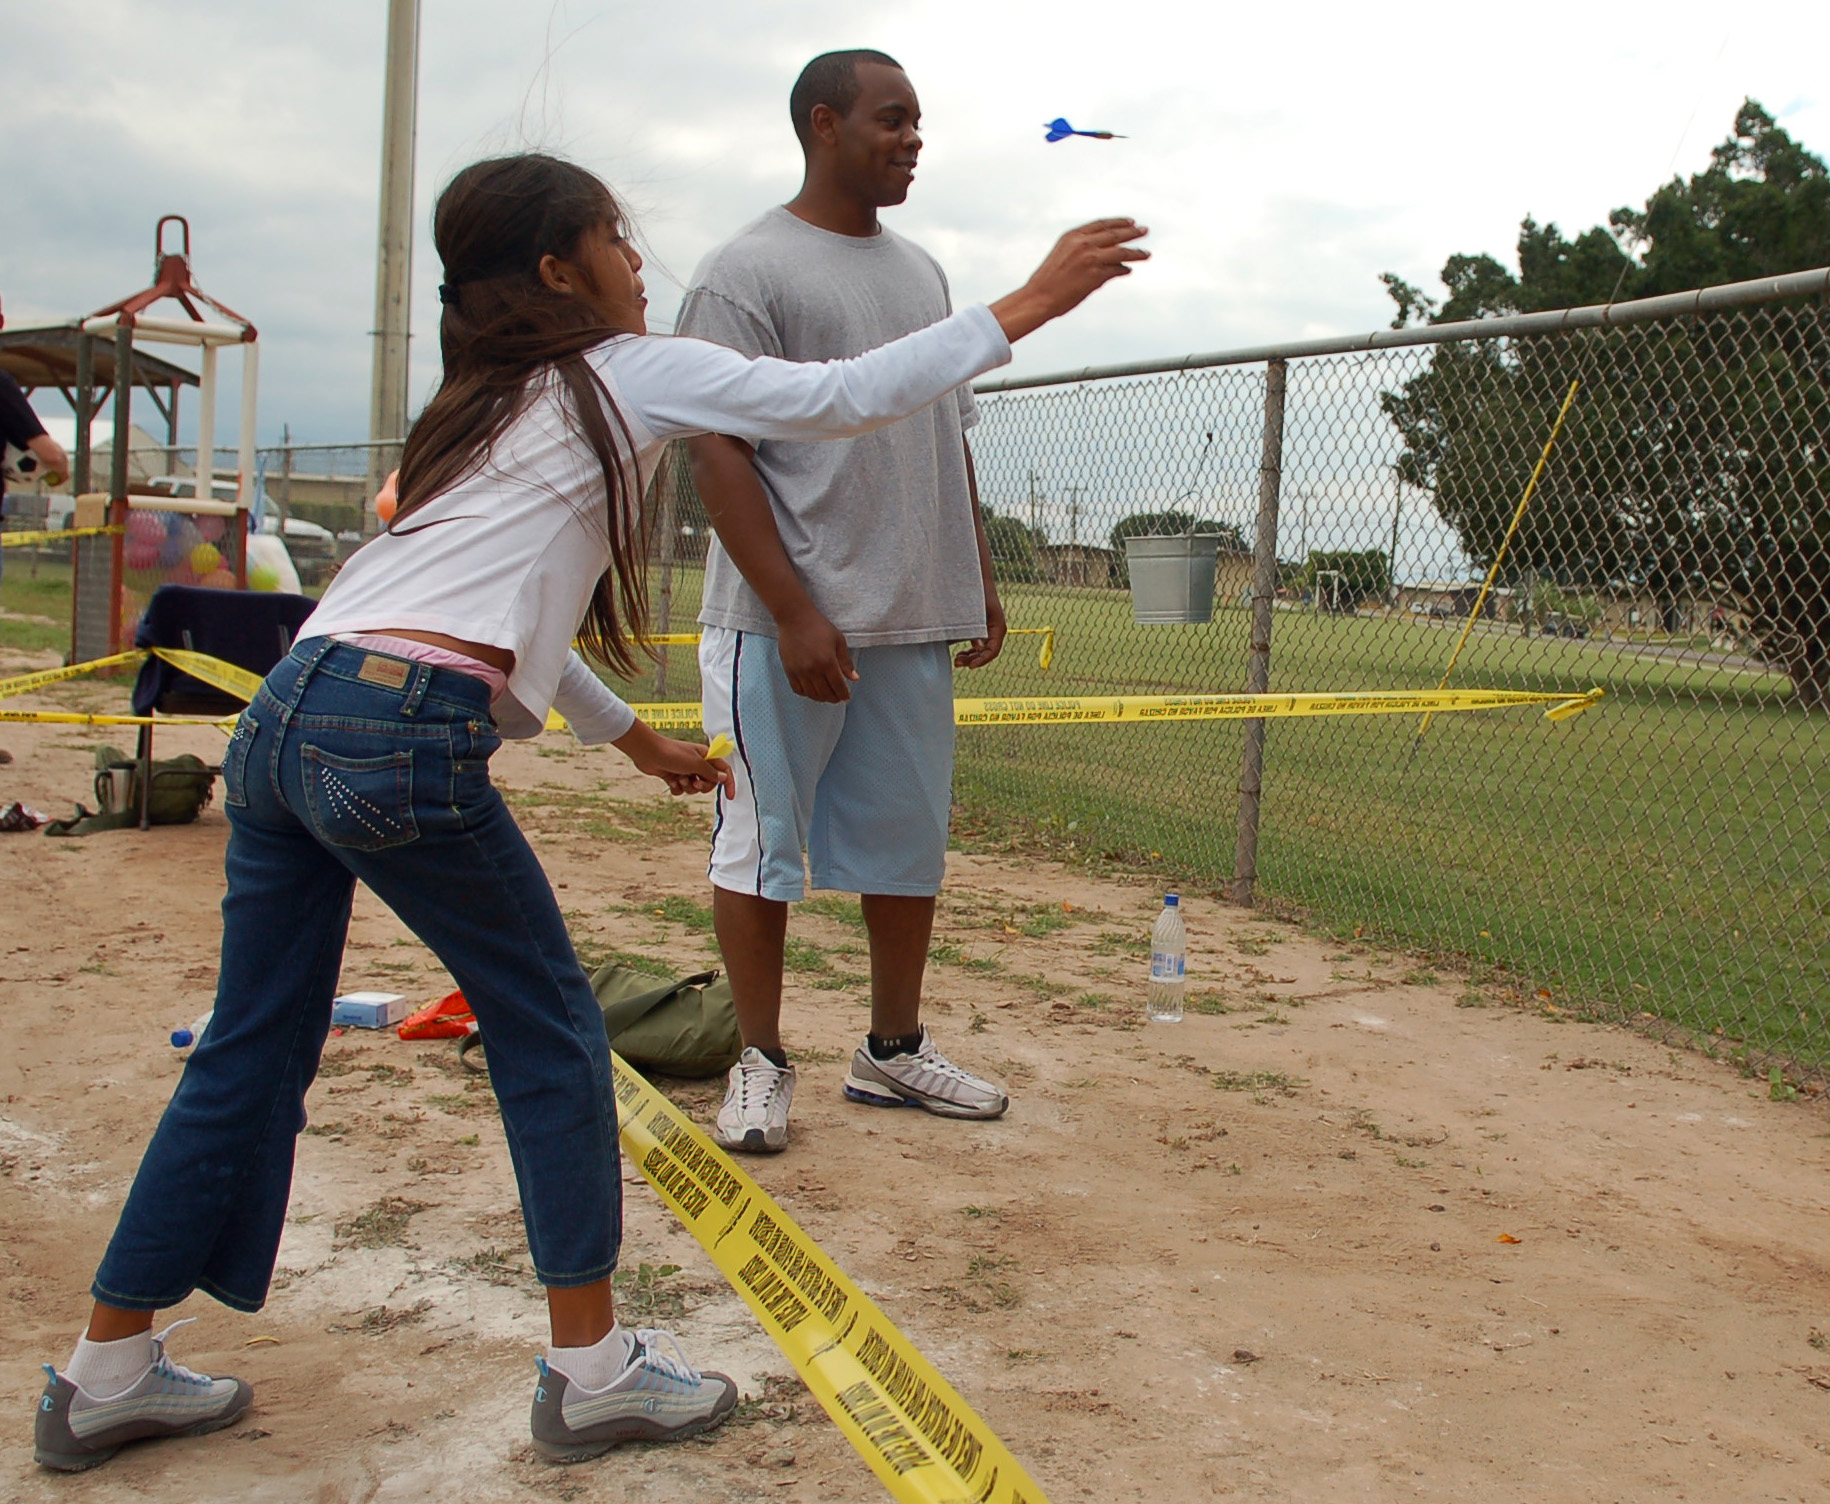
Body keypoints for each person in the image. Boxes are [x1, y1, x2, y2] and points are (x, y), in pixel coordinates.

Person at [32, 151, 1146, 1473]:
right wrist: (1027, 303)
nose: (639, 265)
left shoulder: (470, 410)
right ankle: (595, 1371)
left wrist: (637, 745)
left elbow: (500, 624)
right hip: (395, 730)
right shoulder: (623, 370)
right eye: (619, 240)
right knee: (555, 1037)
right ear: (562, 271)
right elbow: (838, 400)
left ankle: (104, 1374)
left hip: (288, 720)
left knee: (248, 1047)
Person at [677, 49, 1023, 1152]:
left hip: (910, 618)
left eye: (919, 121)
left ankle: (891, 1051)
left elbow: (945, 433)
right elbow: (716, 450)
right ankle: (760, 1058)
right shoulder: (745, 272)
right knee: (760, 848)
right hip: (783, 627)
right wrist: (791, 610)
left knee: (905, 848)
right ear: (822, 125)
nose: (913, 138)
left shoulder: (922, 275)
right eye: (891, 119)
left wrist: (974, 574)